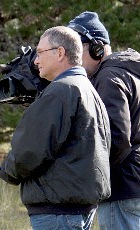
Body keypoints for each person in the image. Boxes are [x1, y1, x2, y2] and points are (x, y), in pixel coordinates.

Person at [0, 26, 111, 230]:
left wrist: (8, 170)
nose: (35, 60)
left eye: (40, 52)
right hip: (77, 209)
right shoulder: (87, 89)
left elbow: (29, 152)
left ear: (60, 53)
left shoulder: (61, 91)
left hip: (58, 212)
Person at [68, 11, 140, 230]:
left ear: (96, 48)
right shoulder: (128, 71)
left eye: (77, 50)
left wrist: (89, 175)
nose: (73, 59)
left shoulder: (108, 78)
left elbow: (116, 139)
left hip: (123, 188)